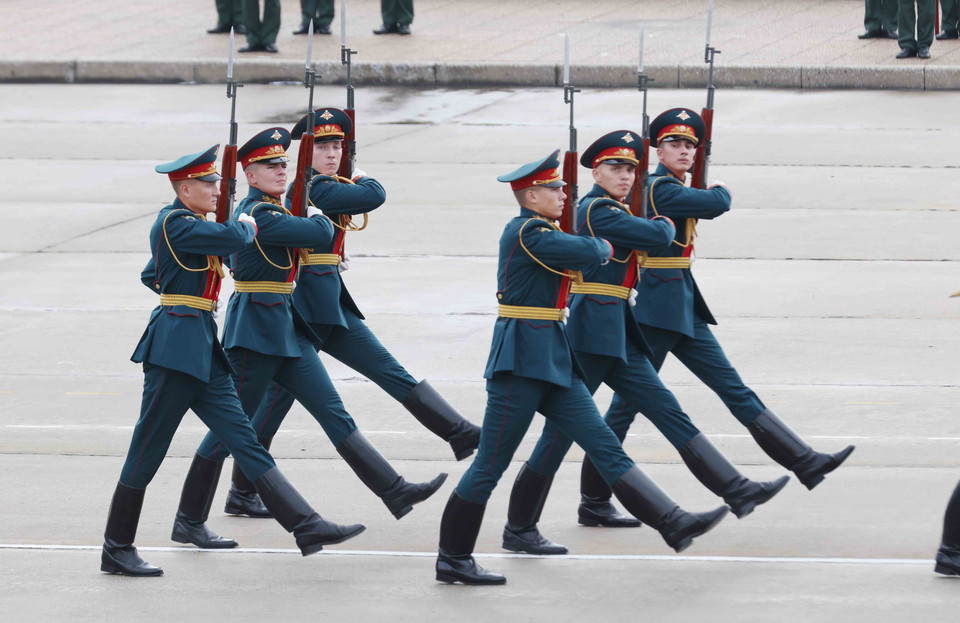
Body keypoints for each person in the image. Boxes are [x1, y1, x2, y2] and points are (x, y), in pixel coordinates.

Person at [433, 150, 729, 586]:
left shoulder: (548, 229)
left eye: (563, 188)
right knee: (490, 465)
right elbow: (588, 251)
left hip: (555, 359)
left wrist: (606, 237)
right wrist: (608, 241)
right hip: (519, 363)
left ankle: (672, 521)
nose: (563, 195)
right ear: (531, 196)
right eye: (554, 189)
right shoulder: (527, 232)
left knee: (605, 445)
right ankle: (453, 558)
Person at [501, 131, 790, 556]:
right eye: (615, 168)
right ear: (595, 173)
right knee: (559, 434)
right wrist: (659, 222)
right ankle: (521, 526)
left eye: (631, 169)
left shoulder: (617, 209)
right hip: (591, 332)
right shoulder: (597, 210)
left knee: (666, 408)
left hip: (618, 328)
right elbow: (659, 237)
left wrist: (652, 219)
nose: (625, 175)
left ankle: (736, 489)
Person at [170, 128, 447, 550]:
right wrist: (317, 210)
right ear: (250, 175)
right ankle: (189, 519)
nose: (281, 171)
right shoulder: (259, 214)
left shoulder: (276, 210)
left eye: (284, 164)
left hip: (287, 325)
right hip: (254, 333)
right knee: (230, 431)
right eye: (270, 166)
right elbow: (320, 235)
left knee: (332, 411)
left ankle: (394, 490)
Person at [100, 145, 366, 577]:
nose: (216, 190)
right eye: (207, 184)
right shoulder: (174, 223)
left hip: (203, 347)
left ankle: (306, 525)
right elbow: (234, 240)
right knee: (148, 449)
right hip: (172, 353)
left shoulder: (195, 227)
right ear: (184, 189)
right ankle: (116, 547)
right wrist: (241, 228)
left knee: (245, 440)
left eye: (216, 183)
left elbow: (154, 274)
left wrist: (187, 297)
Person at [586, 108, 855, 527]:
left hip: (682, 305)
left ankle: (804, 461)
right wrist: (720, 187)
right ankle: (594, 499)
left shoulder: (670, 186)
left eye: (690, 145)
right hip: (655, 311)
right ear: (658, 151)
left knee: (732, 387)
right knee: (626, 408)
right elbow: (716, 204)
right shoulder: (657, 188)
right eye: (674, 144)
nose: (684, 151)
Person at [218, 108, 479, 519]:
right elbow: (373, 195)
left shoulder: (320, 185)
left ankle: (457, 435)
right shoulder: (315, 188)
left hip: (326, 300)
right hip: (306, 306)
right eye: (322, 145)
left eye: (338, 146)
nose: (332, 153)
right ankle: (236, 492)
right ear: (306, 151)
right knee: (281, 401)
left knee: (295, 396)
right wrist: (358, 176)